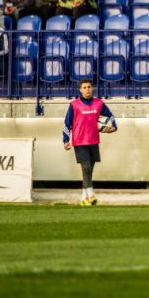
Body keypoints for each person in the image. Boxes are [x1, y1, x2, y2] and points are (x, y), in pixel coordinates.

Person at [63, 78, 117, 206]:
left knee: (88, 171)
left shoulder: (99, 103)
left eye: (89, 87)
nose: (87, 89)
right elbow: (67, 123)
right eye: (84, 87)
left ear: (92, 88)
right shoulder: (74, 105)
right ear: (80, 90)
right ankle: (91, 195)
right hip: (79, 141)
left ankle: (84, 198)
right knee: (86, 168)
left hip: (93, 140)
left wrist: (114, 126)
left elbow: (110, 116)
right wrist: (65, 140)